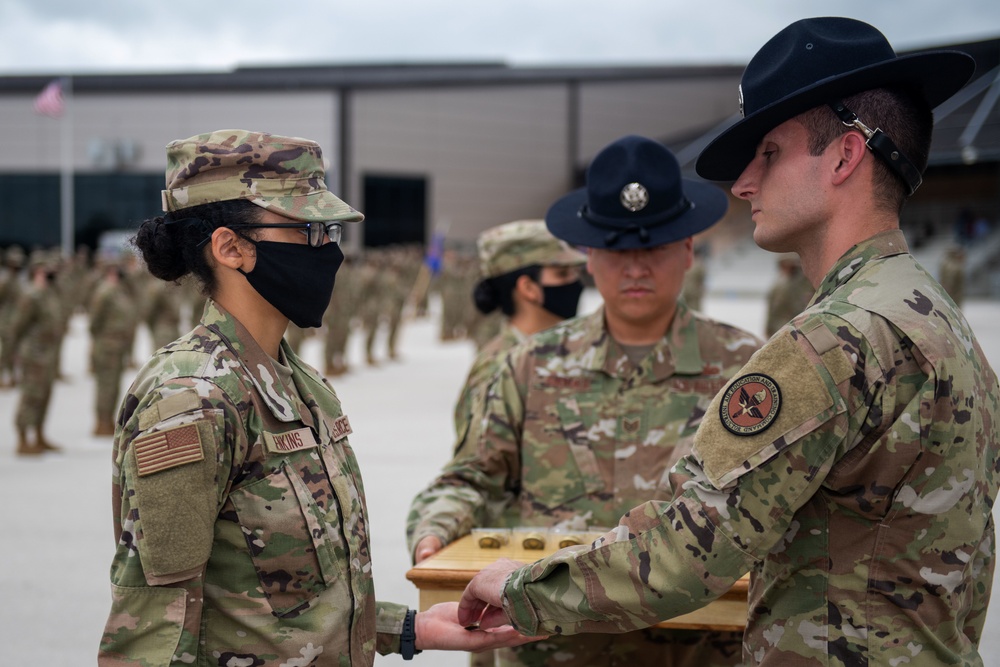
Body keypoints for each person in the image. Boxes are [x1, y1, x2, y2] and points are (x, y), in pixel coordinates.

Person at [457, 17, 1000, 666]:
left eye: (768, 153)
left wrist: (520, 592)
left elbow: (686, 551)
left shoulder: (832, 341)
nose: (743, 183)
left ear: (845, 155)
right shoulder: (939, 321)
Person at [98, 129, 536, 666]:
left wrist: (409, 627)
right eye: (309, 230)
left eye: (329, 231)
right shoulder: (193, 400)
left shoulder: (296, 381)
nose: (329, 250)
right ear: (230, 247)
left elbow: (285, 595)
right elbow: (151, 629)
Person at [412, 135, 762, 666]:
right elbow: (472, 477)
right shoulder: (532, 363)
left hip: (695, 647)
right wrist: (435, 528)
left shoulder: (746, 369)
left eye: (656, 247)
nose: (637, 268)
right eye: (620, 250)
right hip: (549, 648)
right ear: (590, 258)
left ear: (689, 249)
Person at [9, 253, 64, 455]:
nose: (50, 275)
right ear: (36, 272)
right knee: (31, 395)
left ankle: (39, 434)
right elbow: (17, 326)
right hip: (33, 354)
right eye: (45, 271)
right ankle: (23, 438)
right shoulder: (30, 295)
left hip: (48, 353)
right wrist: (12, 354)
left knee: (45, 395)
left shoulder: (50, 293)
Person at [89, 258, 137, 437]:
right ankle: (101, 422)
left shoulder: (119, 291)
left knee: (114, 385)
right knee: (106, 385)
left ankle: (107, 420)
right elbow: (94, 322)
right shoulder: (104, 292)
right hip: (107, 346)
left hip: (118, 347)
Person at [763, 253, 813, 337]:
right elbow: (772, 309)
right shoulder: (779, 284)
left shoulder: (804, 283)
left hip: (795, 330)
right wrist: (768, 330)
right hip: (779, 330)